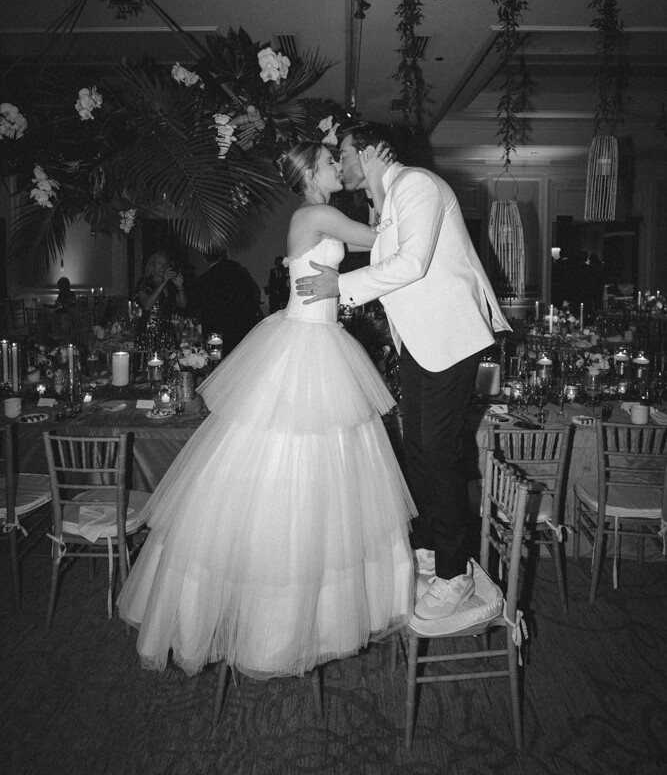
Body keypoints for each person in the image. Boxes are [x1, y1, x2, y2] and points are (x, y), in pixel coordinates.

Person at [117, 140, 415, 680]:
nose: (337, 167)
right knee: (299, 465)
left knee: (316, 466)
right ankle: (282, 627)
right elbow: (381, 239)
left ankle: (308, 621)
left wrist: (375, 197)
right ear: (312, 174)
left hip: (315, 338)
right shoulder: (317, 214)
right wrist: (380, 181)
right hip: (310, 343)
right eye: (330, 162)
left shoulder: (318, 214)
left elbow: (373, 239)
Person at [295, 123, 512, 623]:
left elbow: (411, 264)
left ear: (370, 152)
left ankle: (456, 573)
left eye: (344, 153)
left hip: (451, 339)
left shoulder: (416, 184)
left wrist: (339, 287)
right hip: (420, 343)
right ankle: (431, 550)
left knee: (439, 452)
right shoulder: (388, 198)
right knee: (417, 449)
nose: (340, 162)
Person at [193, 250, 262, 356]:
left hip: (215, 332)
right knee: (239, 359)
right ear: (222, 256)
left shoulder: (203, 279)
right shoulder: (238, 272)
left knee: (216, 360)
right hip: (240, 328)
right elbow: (254, 293)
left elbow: (198, 307)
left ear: (205, 259)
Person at [133, 252, 186, 353]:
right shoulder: (144, 283)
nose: (163, 267)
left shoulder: (170, 285)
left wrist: (179, 287)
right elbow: (147, 306)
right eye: (159, 263)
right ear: (152, 267)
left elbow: (182, 305)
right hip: (148, 334)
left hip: (168, 334)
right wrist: (163, 283)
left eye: (165, 264)